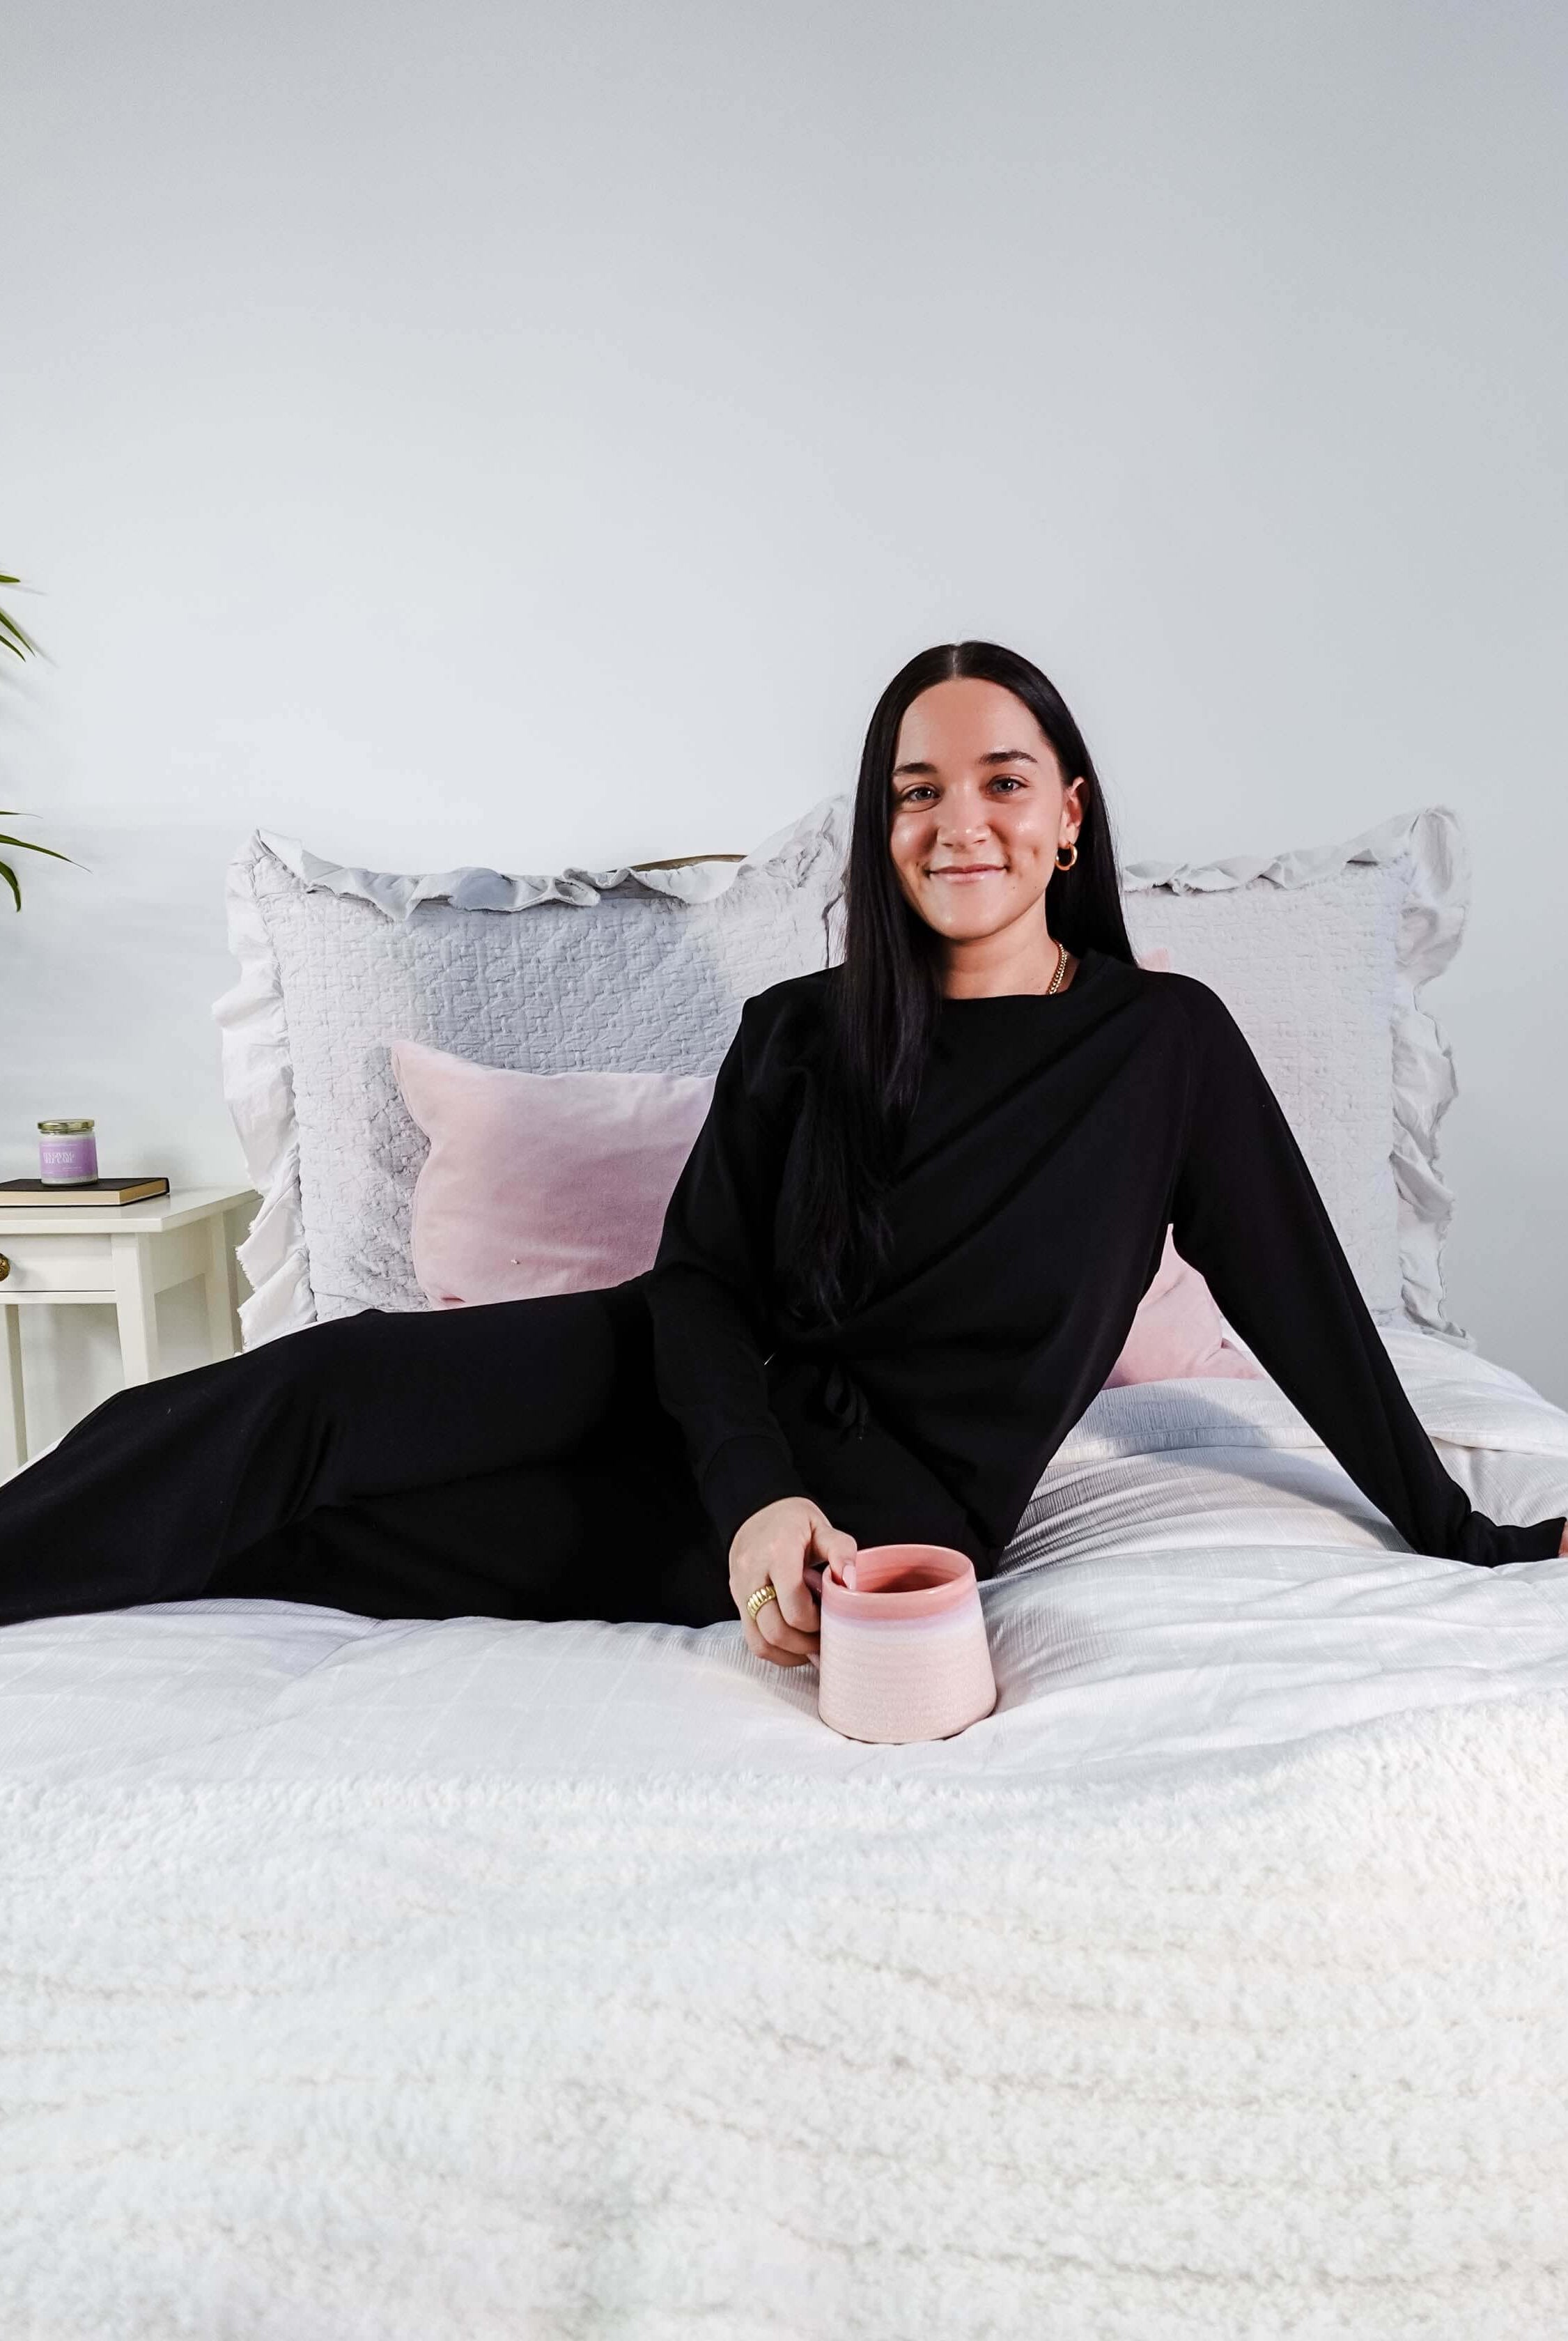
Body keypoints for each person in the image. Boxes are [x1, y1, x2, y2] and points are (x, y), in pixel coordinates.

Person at [1, 642, 1562, 1662]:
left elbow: (1303, 1303)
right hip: (689, 1387)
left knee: (332, 1544)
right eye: (915, 790)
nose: (963, 822)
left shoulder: (1164, 1046)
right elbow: (696, 1290)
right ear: (884, 832)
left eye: (1003, 782)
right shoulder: (801, 1029)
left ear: (1069, 817)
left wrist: (1460, 1533)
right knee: (310, 1392)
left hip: (898, 1495)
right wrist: (749, 1485)